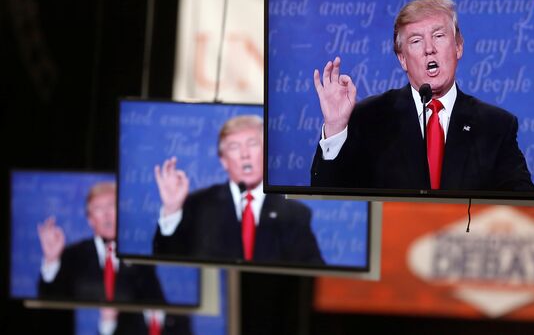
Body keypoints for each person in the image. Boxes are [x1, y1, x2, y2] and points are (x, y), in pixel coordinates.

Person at [311, 0, 534, 192]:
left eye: (439, 36)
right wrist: (335, 128)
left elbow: (526, 204)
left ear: (458, 46)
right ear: (402, 59)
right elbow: (328, 195)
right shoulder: (370, 118)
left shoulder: (495, 126)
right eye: (416, 41)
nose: (429, 48)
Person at [153, 115, 324, 265]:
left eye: (252, 144)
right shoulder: (198, 205)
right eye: (234, 147)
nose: (245, 154)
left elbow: (313, 270)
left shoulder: (294, 214)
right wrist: (172, 210)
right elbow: (166, 261)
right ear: (223, 161)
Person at [37, 181, 190, 335]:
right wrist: (51, 260)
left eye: (111, 205)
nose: (106, 214)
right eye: (98, 208)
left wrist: (171, 209)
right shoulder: (72, 255)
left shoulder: (143, 251)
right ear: (90, 219)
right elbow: (50, 307)